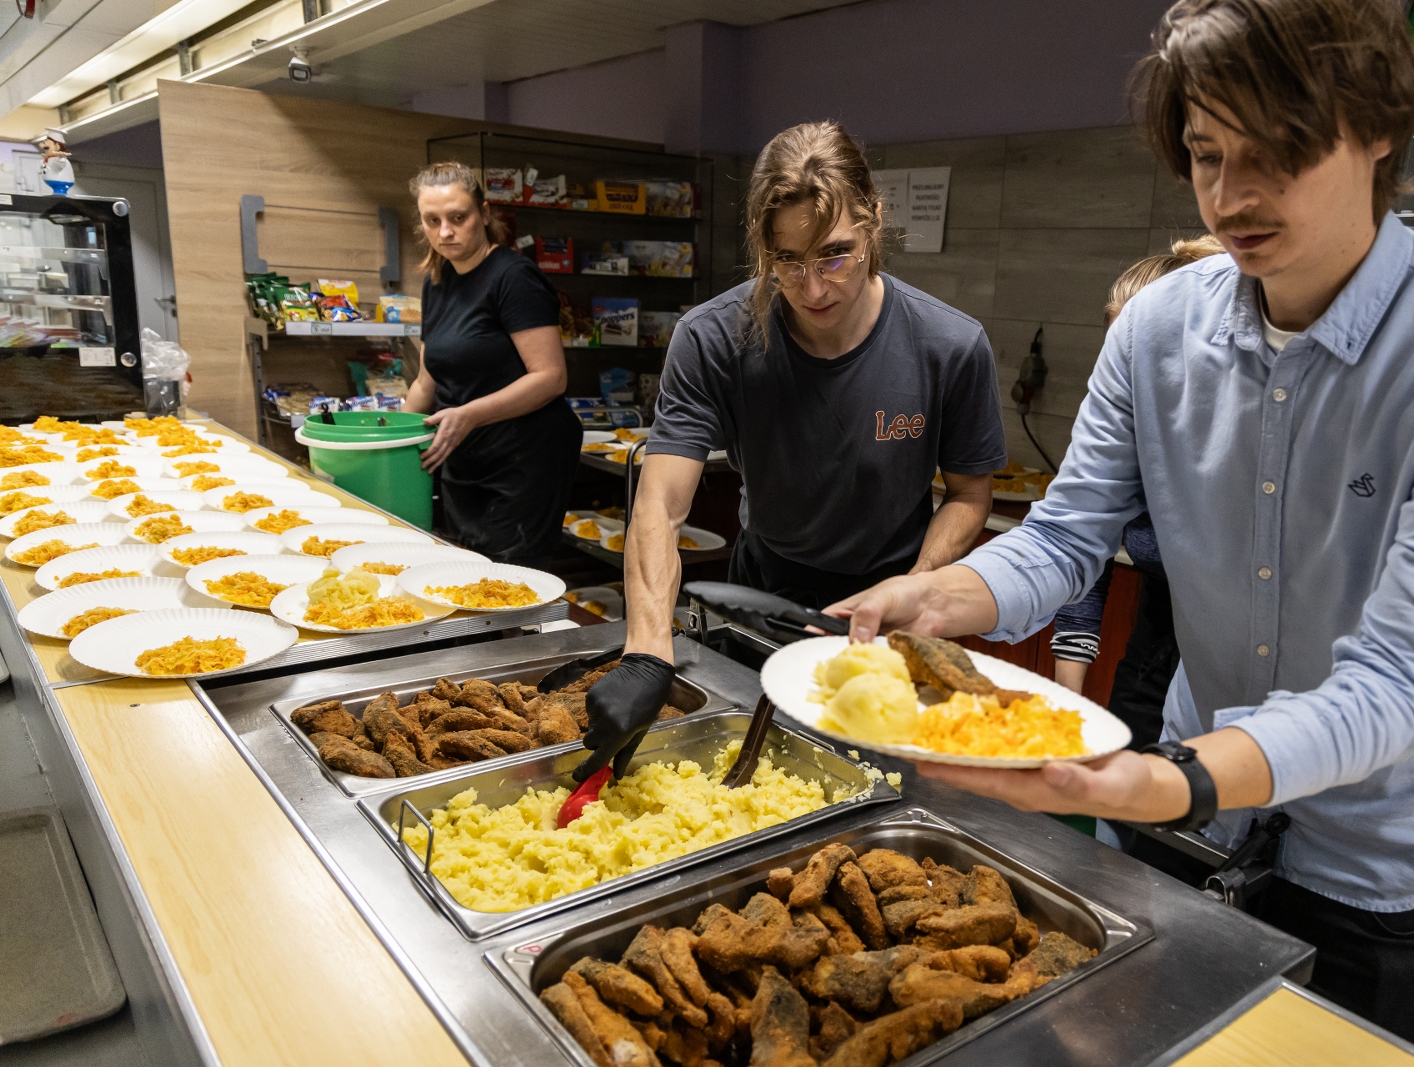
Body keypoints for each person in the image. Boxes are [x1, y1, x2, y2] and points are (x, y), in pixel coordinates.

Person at [827, 0, 1414, 1048]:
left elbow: (1405, 678)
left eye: (1278, 151)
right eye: (1205, 153)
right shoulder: (1157, 327)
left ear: (1378, 131)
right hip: (1183, 823)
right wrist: (937, 595)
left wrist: (1172, 775)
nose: (1233, 195)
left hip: (1374, 857)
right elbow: (1065, 535)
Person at [573, 121, 1007, 783]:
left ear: (874, 222)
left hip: (889, 610)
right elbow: (659, 505)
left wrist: (914, 593)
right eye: (789, 261)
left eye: (834, 254)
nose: (811, 288)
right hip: (759, 603)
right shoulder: (715, 339)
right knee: (738, 790)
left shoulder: (949, 346)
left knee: (868, 794)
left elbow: (971, 496)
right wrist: (647, 651)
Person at [1051, 236, 1222, 757]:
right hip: (1155, 643)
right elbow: (1081, 551)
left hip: (1234, 664)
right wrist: (1063, 712)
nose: (1118, 386)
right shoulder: (1121, 435)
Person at [402, 162, 580, 566]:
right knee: (463, 573)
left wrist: (469, 415)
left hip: (522, 461)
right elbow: (426, 383)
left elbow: (551, 378)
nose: (445, 232)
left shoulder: (513, 278)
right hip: (464, 456)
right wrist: (385, 441)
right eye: (433, 220)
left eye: (458, 218)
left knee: (509, 585)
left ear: (484, 213)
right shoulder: (437, 281)